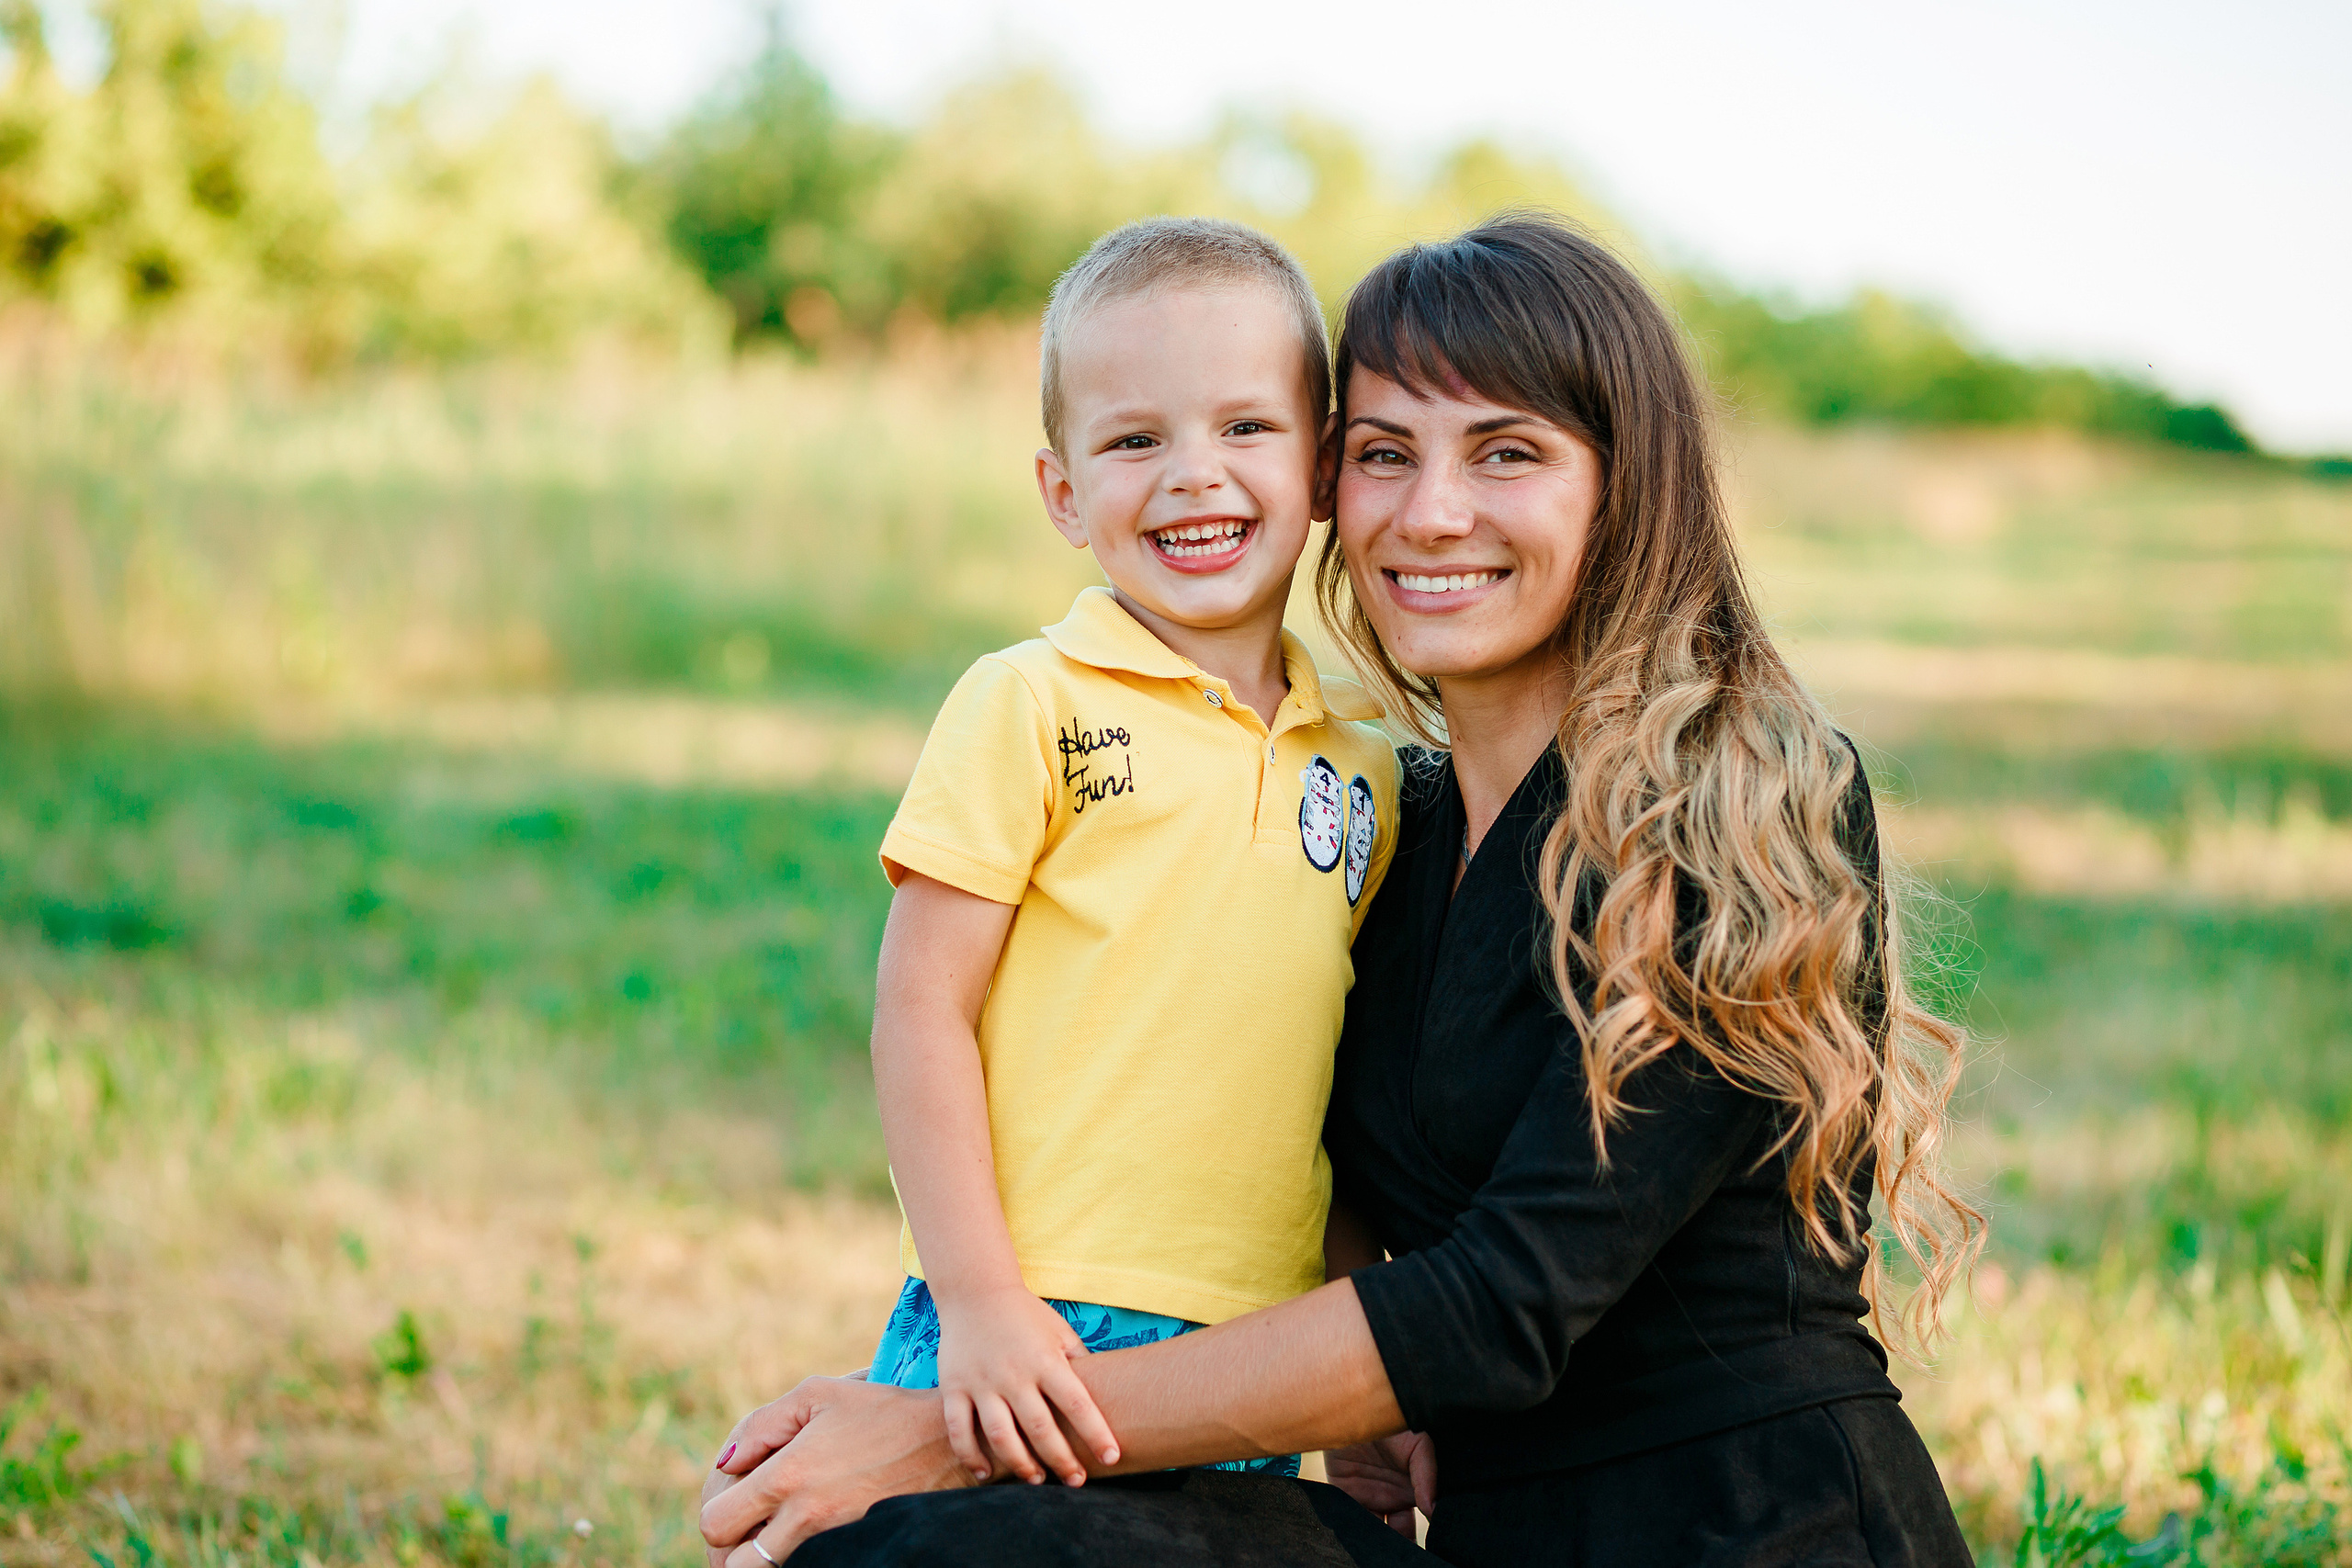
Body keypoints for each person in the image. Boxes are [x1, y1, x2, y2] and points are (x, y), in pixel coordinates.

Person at [698, 214, 1984, 1567]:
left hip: (1745, 1525)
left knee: (941, 1530)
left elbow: (1502, 1305)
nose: (1431, 513)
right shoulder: (1383, 815)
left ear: (1626, 485)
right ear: (1333, 481)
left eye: (1507, 453)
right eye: (1385, 453)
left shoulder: (1739, 803)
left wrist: (965, 1432)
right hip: (1470, 1535)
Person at [851, 214, 1402, 1495]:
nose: (1194, 476)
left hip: (1254, 1353)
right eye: (1136, 439)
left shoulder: (1365, 763)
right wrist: (978, 1300)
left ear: (1324, 468)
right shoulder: (1027, 701)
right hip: (1037, 1315)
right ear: (1063, 492)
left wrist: (1353, 1366)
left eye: (1246, 429)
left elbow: (1334, 1085)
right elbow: (920, 1013)